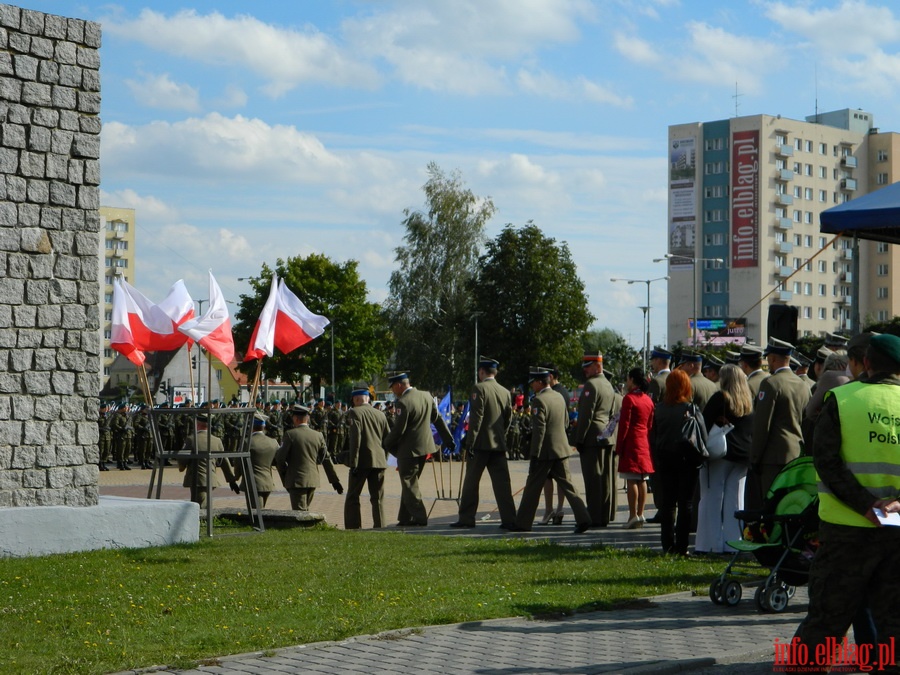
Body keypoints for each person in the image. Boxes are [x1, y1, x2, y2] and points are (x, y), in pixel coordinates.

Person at [793, 333, 900, 665]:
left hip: (846, 532)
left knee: (826, 619)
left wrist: (866, 505)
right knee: (894, 624)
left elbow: (825, 461)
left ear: (866, 363)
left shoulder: (841, 399)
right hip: (896, 532)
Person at [512, 367, 591, 533]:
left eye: (533, 383)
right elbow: (566, 422)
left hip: (545, 451)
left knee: (532, 487)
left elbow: (539, 430)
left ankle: (522, 522)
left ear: (540, 382)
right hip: (561, 449)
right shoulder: (559, 397)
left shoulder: (539, 401)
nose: (532, 386)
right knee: (568, 486)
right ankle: (583, 517)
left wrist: (534, 454)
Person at [695, 364, 754, 554]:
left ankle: (710, 544)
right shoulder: (748, 401)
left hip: (721, 454)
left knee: (712, 498)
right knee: (735, 501)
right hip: (743, 455)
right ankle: (734, 544)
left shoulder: (720, 398)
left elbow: (703, 422)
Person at [452, 358, 517, 529]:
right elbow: (508, 418)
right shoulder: (504, 392)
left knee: (471, 484)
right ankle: (509, 518)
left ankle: (466, 518)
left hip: (480, 444)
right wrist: (500, 435)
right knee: (503, 485)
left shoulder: (478, 388)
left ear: (481, 371)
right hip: (498, 444)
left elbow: (476, 419)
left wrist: (470, 442)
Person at [382, 373, 454, 527]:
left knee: (409, 484)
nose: (393, 391)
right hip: (425, 448)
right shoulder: (426, 396)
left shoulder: (403, 402)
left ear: (400, 385)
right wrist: (449, 439)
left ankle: (420, 517)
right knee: (410, 484)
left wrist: (386, 443)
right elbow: (438, 419)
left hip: (408, 450)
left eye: (393, 387)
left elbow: (398, 430)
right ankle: (405, 518)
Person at [747, 337, 810, 510]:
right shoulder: (803, 385)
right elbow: (807, 421)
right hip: (796, 455)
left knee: (770, 507)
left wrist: (754, 458)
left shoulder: (770, 383)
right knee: (789, 507)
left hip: (772, 458)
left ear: (773, 358)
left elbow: (762, 426)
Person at [650, 369, 703, 555]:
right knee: (686, 503)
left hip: (665, 458)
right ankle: (682, 546)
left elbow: (653, 435)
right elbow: (700, 435)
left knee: (668, 503)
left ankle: (667, 544)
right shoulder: (690, 408)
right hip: (686, 459)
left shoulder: (659, 409)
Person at [574, 353, 618, 527]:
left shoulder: (591, 385)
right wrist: (609, 434)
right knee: (606, 479)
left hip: (592, 437)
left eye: (588, 366)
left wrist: (579, 439)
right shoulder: (608, 385)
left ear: (598, 366)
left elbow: (585, 416)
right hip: (607, 436)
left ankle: (594, 517)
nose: (585, 370)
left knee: (593, 480)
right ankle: (604, 515)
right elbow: (614, 415)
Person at [276, 404, 343, 511]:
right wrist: (334, 480)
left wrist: (285, 477)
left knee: (299, 513)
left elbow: (280, 459)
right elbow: (326, 459)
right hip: (312, 480)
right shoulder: (318, 435)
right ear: (307, 419)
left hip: (296, 480)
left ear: (295, 418)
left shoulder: (290, 435)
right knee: (305, 510)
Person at [344, 386, 390, 529]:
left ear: (355, 399)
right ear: (368, 398)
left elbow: (355, 440)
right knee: (378, 498)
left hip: (361, 461)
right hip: (379, 461)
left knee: (353, 496)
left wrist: (353, 463)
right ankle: (380, 526)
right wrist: (384, 458)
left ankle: (354, 527)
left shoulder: (354, 412)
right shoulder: (380, 414)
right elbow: (387, 439)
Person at [615, 367, 654, 529]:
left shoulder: (629, 399)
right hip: (644, 442)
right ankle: (641, 512)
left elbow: (624, 425)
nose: (626, 382)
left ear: (632, 380)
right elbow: (650, 424)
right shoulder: (648, 399)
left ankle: (633, 515)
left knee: (631, 479)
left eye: (628, 379)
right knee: (643, 479)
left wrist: (619, 446)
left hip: (631, 442)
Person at [179, 412, 238, 509]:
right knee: (205, 503)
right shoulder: (217, 440)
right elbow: (224, 462)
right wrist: (231, 480)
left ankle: (202, 523)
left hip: (197, 479)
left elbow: (183, 459)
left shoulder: (191, 439)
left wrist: (181, 467)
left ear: (197, 424)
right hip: (211, 478)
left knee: (199, 506)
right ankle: (207, 521)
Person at [801, 352, 850, 451]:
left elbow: (810, 411)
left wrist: (826, 421)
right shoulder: (854, 380)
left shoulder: (828, 378)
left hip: (824, 440)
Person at [539, 363, 568, 525]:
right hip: (563, 441)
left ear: (549, 377)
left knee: (547, 477)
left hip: (550, 443)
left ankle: (549, 509)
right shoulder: (564, 392)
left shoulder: (551, 394)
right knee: (562, 479)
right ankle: (560, 508)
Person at [233, 411, 278, 508]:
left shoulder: (246, 442)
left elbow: (239, 462)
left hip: (252, 482)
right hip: (268, 482)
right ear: (264, 426)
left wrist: (236, 477)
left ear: (251, 426)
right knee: (262, 512)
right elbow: (278, 460)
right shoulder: (273, 442)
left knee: (256, 514)